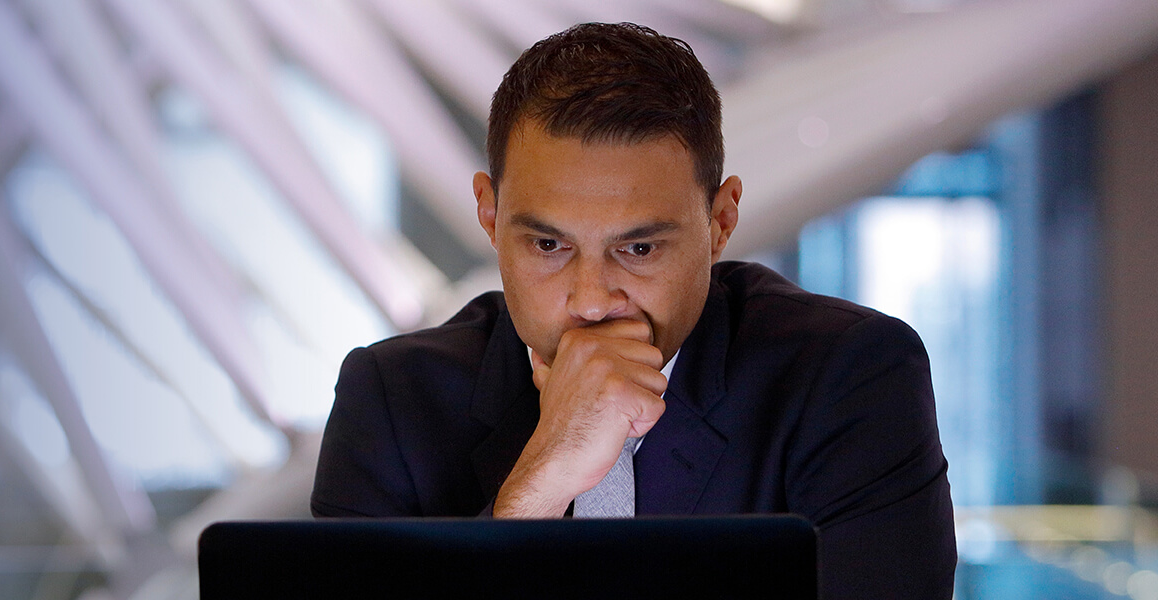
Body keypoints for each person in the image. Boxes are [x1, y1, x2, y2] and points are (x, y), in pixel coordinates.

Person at [310, 22, 956, 599]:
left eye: (639, 248)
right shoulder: (392, 399)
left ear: (720, 221)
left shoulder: (846, 376)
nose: (593, 300)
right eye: (548, 245)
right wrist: (537, 488)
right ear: (489, 213)